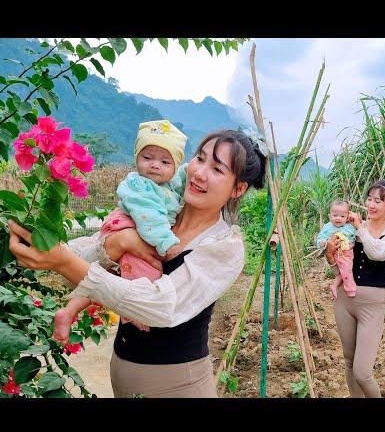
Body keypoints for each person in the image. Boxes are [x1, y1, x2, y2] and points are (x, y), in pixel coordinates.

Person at [9, 129, 267, 398]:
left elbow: (160, 307)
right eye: (199, 159)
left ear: (238, 189)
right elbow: (85, 253)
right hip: (123, 380)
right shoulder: (156, 210)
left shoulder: (223, 246)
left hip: (179, 387)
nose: (199, 173)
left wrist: (62, 261)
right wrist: (114, 244)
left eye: (217, 169)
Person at [53, 119, 189, 341]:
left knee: (100, 275)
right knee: (145, 271)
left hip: (132, 228)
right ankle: (140, 318)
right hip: (130, 226)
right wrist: (166, 243)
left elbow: (183, 176)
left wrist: (192, 169)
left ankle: (68, 312)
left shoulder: (168, 184)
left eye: (165, 161)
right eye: (147, 158)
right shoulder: (140, 185)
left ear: (174, 167)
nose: (155, 165)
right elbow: (150, 217)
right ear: (136, 158)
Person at [325, 178, 385, 398]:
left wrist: (360, 229)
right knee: (349, 361)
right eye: (370, 199)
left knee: (362, 372)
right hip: (345, 299)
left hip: (372, 304)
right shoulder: (352, 228)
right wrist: (329, 253)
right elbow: (339, 263)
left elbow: (379, 252)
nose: (371, 205)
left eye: (378, 201)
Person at [316, 200, 357, 299]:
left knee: (342, 272)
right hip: (335, 253)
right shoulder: (327, 227)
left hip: (346, 253)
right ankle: (350, 289)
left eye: (342, 216)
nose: (338, 218)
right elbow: (320, 237)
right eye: (335, 215)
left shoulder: (350, 227)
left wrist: (351, 244)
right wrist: (322, 242)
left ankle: (335, 285)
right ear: (330, 216)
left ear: (347, 217)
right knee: (347, 270)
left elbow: (355, 237)